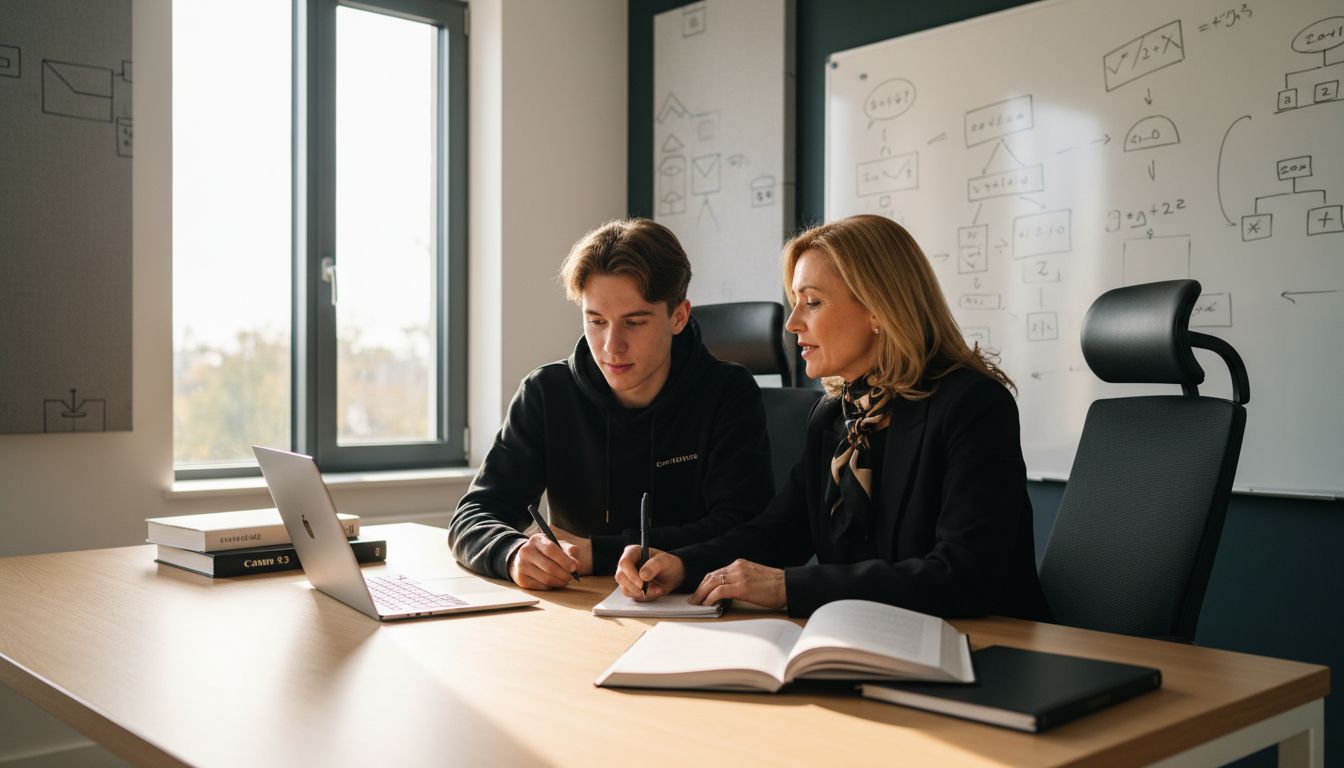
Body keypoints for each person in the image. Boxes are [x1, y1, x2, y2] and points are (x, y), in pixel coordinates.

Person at [616, 214, 1051, 621]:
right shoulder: (835, 416)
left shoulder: (973, 407)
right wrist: (681, 565)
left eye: (812, 303)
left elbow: (963, 574)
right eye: (794, 303)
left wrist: (789, 587)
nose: (792, 324)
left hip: (990, 649)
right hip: (870, 639)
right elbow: (777, 533)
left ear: (878, 309)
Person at [449, 219, 775, 590]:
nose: (611, 346)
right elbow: (473, 515)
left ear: (679, 316)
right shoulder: (545, 392)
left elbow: (745, 527)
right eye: (597, 321)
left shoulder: (728, 393)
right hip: (578, 609)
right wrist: (510, 553)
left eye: (634, 323)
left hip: (694, 610)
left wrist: (599, 553)